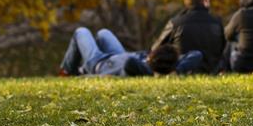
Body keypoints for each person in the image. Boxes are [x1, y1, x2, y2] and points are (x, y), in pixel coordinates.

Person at [58, 27, 203, 76]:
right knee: (103, 33)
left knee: (81, 31)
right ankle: (78, 69)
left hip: (99, 63)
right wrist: (176, 70)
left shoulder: (144, 69)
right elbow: (197, 54)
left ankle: (67, 71)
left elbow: (129, 62)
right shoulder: (171, 67)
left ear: (153, 56)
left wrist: (150, 64)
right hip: (117, 55)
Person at [151, 0, 225, 74]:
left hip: (181, 70)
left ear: (186, 1)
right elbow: (223, 49)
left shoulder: (175, 23)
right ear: (205, 0)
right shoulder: (217, 23)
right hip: (212, 71)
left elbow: (156, 49)